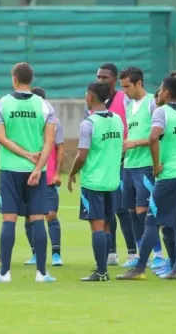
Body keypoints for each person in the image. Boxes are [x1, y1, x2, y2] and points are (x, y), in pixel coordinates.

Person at [116, 77, 176, 280]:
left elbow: (153, 137)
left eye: (160, 90)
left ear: (167, 93)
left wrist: (157, 164)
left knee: (152, 220)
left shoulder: (162, 112)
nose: (157, 93)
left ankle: (139, 269)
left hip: (170, 174)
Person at [0, 62, 56, 283]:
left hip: (10, 169)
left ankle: (5, 273)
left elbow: (1, 138)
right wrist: (37, 167)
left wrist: (25, 155)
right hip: (36, 172)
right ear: (31, 80)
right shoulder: (45, 106)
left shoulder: (2, 104)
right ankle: (42, 273)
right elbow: (49, 142)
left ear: (14, 79)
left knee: (9, 219)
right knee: (37, 219)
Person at [68, 81, 124, 281]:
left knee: (97, 226)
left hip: (94, 182)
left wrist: (72, 173)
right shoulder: (117, 120)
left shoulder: (89, 124)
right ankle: (103, 268)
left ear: (90, 97)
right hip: (112, 181)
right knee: (107, 225)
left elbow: (82, 155)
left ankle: (101, 271)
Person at [84, 63, 136, 266]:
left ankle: (132, 252)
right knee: (107, 212)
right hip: (101, 163)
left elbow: (131, 123)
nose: (101, 81)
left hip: (122, 160)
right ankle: (110, 251)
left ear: (114, 80)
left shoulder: (124, 100)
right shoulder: (91, 100)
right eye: (99, 77)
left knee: (122, 208)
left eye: (105, 78)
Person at [118, 67, 166, 270]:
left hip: (145, 166)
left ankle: (158, 254)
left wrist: (135, 143)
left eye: (127, 86)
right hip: (129, 165)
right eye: (122, 87)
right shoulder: (129, 106)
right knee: (131, 212)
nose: (125, 91)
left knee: (144, 212)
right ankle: (141, 254)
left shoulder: (152, 105)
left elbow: (160, 135)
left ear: (139, 83)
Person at [24, 87, 64, 267]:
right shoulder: (25, 121)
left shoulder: (54, 121)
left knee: (51, 214)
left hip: (47, 177)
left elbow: (60, 148)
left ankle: (56, 254)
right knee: (28, 216)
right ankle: (35, 253)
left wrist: (57, 172)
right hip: (27, 174)